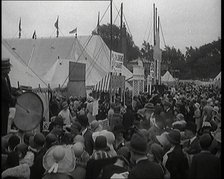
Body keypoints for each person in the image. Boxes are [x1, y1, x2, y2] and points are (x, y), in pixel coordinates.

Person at [1, 58, 16, 136]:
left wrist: (16, 90)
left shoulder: (6, 77)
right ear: (4, 69)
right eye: (8, 68)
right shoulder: (2, 79)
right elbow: (6, 95)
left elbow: (9, 89)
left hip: (6, 109)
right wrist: (14, 98)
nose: (10, 70)